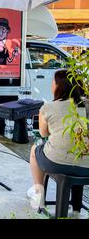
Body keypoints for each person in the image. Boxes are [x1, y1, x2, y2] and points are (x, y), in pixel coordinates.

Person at [28, 70, 89, 214]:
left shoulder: (48, 108)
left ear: (59, 86)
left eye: (53, 82)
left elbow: (43, 133)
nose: (51, 85)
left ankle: (38, 196)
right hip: (86, 163)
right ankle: (76, 207)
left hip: (58, 162)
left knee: (34, 150)